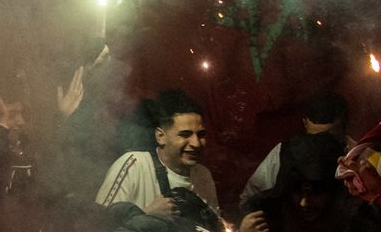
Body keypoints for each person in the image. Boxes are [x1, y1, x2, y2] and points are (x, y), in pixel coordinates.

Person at [94, 89, 219, 219]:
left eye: (201, 135)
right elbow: (99, 225)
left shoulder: (203, 175)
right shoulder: (134, 165)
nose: (196, 143)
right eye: (185, 134)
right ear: (160, 136)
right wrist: (147, 215)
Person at [239, 90, 351, 202]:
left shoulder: (360, 157)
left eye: (328, 140)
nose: (319, 145)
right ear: (305, 124)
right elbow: (249, 197)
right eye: (313, 138)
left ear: (345, 127)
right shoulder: (285, 152)